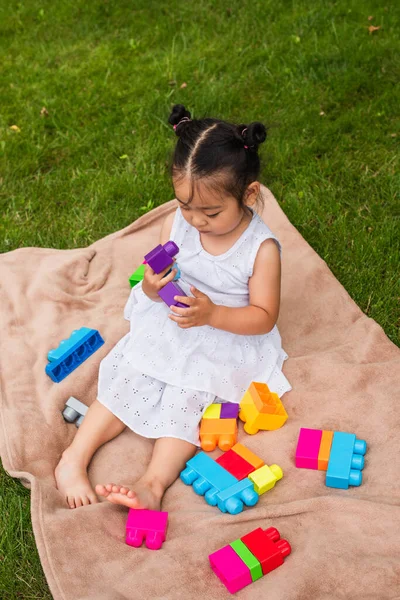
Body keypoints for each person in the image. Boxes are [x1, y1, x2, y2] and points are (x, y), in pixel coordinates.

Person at [55, 104, 292, 509]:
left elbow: (264, 318)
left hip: (223, 332)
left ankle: (152, 484)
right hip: (175, 318)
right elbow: (158, 270)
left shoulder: (261, 250)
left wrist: (213, 314)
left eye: (211, 212)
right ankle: (72, 458)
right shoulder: (177, 222)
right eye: (185, 205)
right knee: (130, 374)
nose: (195, 220)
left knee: (189, 399)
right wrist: (151, 287)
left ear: (249, 194)